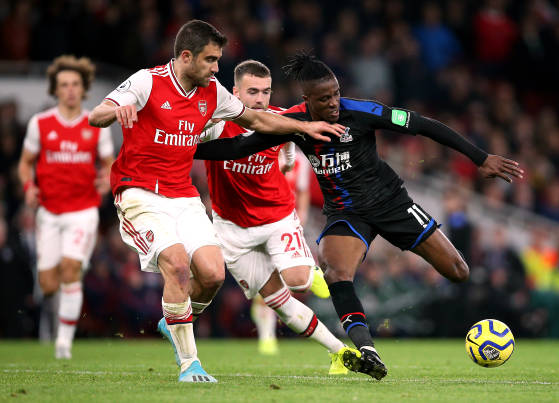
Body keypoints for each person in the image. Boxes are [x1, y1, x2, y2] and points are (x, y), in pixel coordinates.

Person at [193, 52, 524, 380]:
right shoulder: (294, 124)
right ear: (307, 100)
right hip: (346, 214)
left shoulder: (362, 111)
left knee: (459, 271)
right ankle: (367, 350)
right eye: (325, 98)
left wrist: (479, 157)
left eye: (336, 93)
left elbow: (423, 125)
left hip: (391, 203)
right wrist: (182, 146)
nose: (334, 102)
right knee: (336, 272)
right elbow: (237, 148)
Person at [88, 22, 344, 383]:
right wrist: (117, 111)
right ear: (186, 56)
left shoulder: (213, 93)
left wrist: (304, 129)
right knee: (177, 265)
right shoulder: (147, 81)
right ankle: (190, 363)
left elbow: (255, 118)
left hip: (183, 195)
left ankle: (173, 319)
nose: (216, 68)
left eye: (218, 60)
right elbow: (96, 114)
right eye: (210, 60)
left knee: (211, 274)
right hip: (139, 193)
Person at [201, 59, 360, 375]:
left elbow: (290, 141)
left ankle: (311, 270)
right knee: (279, 305)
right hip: (231, 230)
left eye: (265, 91)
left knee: (298, 281)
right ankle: (339, 353)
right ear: (235, 92)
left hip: (276, 217)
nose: (260, 99)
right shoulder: (216, 125)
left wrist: (288, 159)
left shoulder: (278, 119)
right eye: (252, 92)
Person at [17, 55, 114, 359]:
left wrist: (106, 181)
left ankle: (63, 343)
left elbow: (109, 163)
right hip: (49, 211)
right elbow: (25, 164)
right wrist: (29, 187)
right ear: (55, 89)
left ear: (82, 88)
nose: (70, 90)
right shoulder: (40, 124)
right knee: (47, 283)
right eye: (64, 85)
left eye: (75, 84)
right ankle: (53, 319)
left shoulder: (95, 123)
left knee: (70, 270)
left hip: (83, 210)